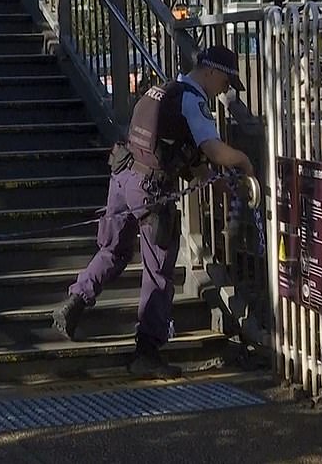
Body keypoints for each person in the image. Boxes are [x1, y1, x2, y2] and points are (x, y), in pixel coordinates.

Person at [52, 45, 255, 378]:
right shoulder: (193, 101)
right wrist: (243, 161)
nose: (227, 89)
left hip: (122, 176)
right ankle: (147, 351)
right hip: (150, 190)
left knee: (113, 250)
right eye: (227, 81)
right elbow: (212, 150)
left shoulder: (160, 90)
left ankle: (73, 303)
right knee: (159, 270)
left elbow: (182, 153)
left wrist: (215, 182)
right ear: (211, 72)